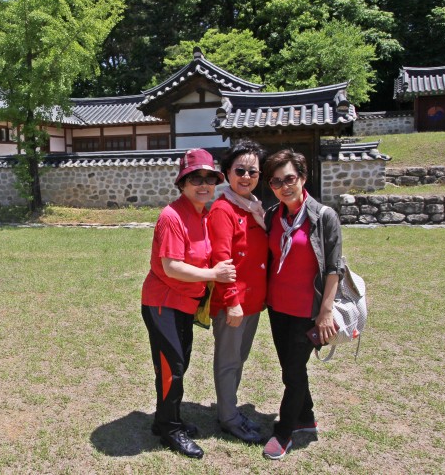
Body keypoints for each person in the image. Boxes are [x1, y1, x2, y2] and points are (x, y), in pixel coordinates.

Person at [141, 148, 236, 460]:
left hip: (185, 303)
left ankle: (165, 419)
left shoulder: (202, 214)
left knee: (178, 363)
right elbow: (171, 267)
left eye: (210, 178)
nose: (204, 184)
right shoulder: (172, 216)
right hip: (163, 302)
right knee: (173, 367)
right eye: (196, 178)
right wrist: (214, 274)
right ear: (182, 183)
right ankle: (170, 429)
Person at [261, 149, 342, 460]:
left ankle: (284, 433)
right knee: (289, 368)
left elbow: (334, 267)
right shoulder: (273, 216)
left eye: (290, 178)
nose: (284, 186)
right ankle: (306, 417)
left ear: (303, 178)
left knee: (293, 372)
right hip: (278, 307)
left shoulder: (323, 217)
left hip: (307, 310)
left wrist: (326, 312)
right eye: (277, 181)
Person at [206, 139, 267, 444]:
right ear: (227, 173)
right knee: (229, 360)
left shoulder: (254, 207)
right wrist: (232, 303)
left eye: (252, 171)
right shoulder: (223, 209)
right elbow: (221, 259)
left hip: (254, 301)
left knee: (239, 358)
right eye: (239, 170)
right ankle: (229, 418)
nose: (246, 176)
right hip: (234, 303)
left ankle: (228, 408)